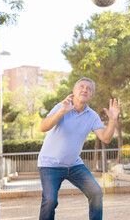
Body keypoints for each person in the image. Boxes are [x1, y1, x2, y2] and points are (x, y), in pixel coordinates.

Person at [38, 77, 119, 220]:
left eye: (89, 89)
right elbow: (43, 127)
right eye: (81, 87)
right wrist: (61, 112)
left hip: (74, 164)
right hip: (50, 164)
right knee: (50, 200)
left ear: (91, 95)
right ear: (74, 91)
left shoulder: (92, 115)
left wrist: (113, 121)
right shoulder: (61, 107)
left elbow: (105, 138)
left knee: (95, 192)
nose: (84, 90)